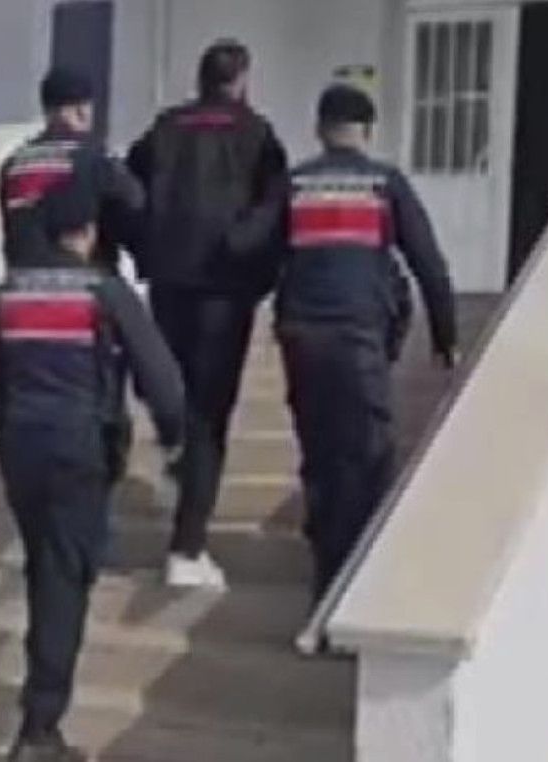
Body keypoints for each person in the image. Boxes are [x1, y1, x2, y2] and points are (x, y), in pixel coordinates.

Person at [0, 178, 184, 762]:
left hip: (20, 451)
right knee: (66, 578)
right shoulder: (105, 292)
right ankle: (39, 730)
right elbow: (162, 379)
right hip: (80, 452)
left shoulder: (6, 296)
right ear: (88, 232)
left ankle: (40, 706)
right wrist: (174, 440)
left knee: (49, 567)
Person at [272, 83, 458, 600]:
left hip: (303, 338)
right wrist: (446, 338)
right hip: (358, 338)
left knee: (321, 455)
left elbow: (254, 247)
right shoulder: (384, 184)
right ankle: (350, 585)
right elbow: (429, 263)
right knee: (367, 459)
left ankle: (325, 576)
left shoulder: (295, 183)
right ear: (369, 132)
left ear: (319, 129)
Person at [126, 39, 288, 588]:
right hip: (225, 288)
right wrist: (257, 267)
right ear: (240, 80)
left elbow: (128, 193)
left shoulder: (165, 129)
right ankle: (187, 547)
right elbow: (276, 207)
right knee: (209, 416)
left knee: (173, 395)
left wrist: (147, 252)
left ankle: (178, 452)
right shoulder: (255, 133)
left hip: (171, 282)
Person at [0, 66, 145, 273]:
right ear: (82, 111)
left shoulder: (14, 165)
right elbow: (134, 210)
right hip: (83, 281)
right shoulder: (97, 160)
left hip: (22, 283)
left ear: (46, 109)